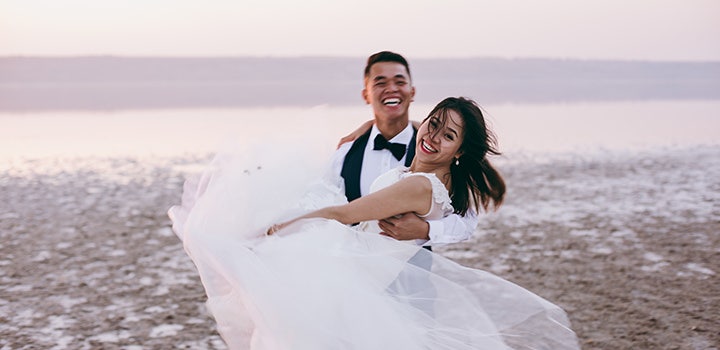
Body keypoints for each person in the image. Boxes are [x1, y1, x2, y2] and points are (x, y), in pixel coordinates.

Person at [169, 97, 580, 349]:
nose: (433, 135)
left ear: (457, 151)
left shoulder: (422, 185)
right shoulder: (434, 179)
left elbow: (346, 214)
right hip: (360, 270)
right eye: (434, 123)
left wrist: (277, 230)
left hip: (352, 268)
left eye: (448, 135)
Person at [329, 51, 478, 248]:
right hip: (357, 269)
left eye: (399, 82)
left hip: (416, 272)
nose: (391, 89)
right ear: (366, 94)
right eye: (380, 82)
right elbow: (328, 207)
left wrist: (427, 230)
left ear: (412, 92)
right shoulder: (346, 152)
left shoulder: (438, 151)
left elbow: (467, 222)